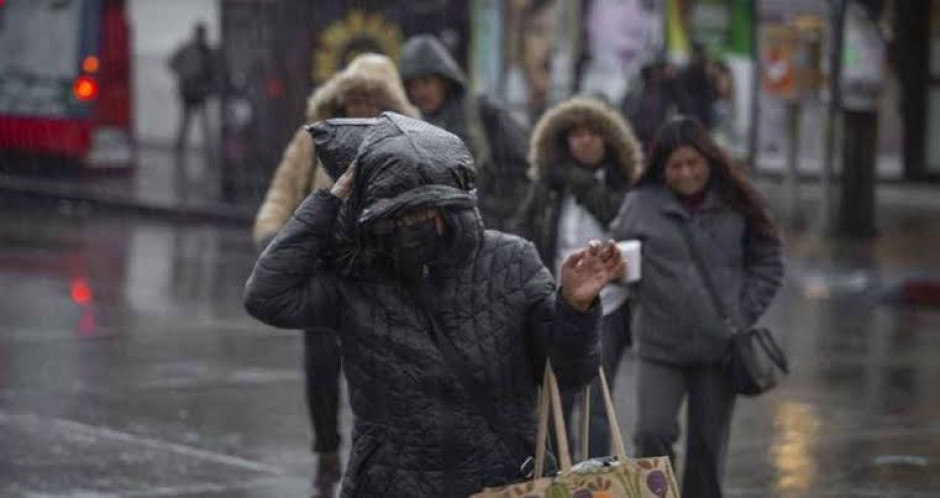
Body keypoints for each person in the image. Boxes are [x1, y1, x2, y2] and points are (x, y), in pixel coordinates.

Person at [244, 112, 624, 497]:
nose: (413, 224)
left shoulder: (512, 262)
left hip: (501, 481)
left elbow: (568, 376)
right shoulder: (358, 278)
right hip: (390, 484)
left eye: (425, 210)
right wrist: (330, 200)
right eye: (398, 214)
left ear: (450, 204)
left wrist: (575, 308)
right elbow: (267, 295)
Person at [251, 53, 419, 498]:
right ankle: (327, 448)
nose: (361, 108)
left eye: (371, 98)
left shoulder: (406, 143)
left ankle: (380, 456)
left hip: (381, 276)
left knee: (383, 371)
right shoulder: (313, 140)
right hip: (325, 269)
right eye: (354, 98)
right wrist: (273, 237)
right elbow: (283, 190)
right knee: (321, 367)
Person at [609, 117, 783, 498]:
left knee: (707, 448)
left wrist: (742, 313)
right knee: (651, 433)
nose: (686, 173)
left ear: (709, 161)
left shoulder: (738, 203)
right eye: (676, 166)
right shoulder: (640, 205)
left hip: (718, 349)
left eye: (693, 163)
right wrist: (620, 270)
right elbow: (616, 260)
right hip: (659, 346)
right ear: (662, 169)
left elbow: (769, 261)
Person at [511, 96, 643, 458]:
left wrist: (584, 184)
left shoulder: (623, 186)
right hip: (557, 304)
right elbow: (523, 231)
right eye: (576, 134)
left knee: (598, 403)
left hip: (610, 306)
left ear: (608, 139)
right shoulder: (550, 185)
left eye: (593, 133)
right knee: (556, 402)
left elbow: (622, 223)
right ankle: (558, 479)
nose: (584, 141)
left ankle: (600, 483)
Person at [398, 34, 530, 233]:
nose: (420, 92)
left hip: (485, 233)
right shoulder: (402, 124)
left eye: (426, 82)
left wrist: (489, 211)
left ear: (444, 80)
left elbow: (521, 166)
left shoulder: (481, 112)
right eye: (412, 85)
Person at [169, 22, 217, 174]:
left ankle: (208, 151)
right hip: (189, 91)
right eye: (200, 33)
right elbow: (172, 63)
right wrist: (184, 74)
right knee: (187, 122)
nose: (201, 36)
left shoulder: (207, 51)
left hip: (200, 91)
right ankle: (179, 149)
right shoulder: (187, 49)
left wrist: (210, 86)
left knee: (203, 123)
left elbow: (212, 71)